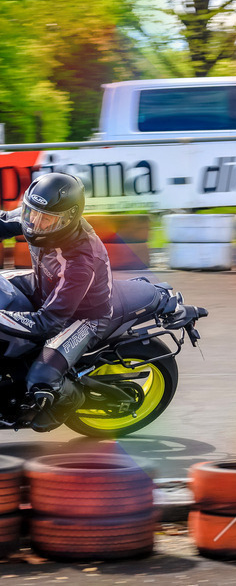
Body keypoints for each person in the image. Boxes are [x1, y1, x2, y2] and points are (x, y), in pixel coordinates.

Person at [0, 173, 113, 432]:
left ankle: (69, 401)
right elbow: (3, 221)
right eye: (31, 214)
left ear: (68, 219)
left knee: (41, 378)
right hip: (44, 285)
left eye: (46, 219)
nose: (35, 225)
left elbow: (48, 323)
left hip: (83, 317)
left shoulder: (80, 260)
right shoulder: (37, 216)